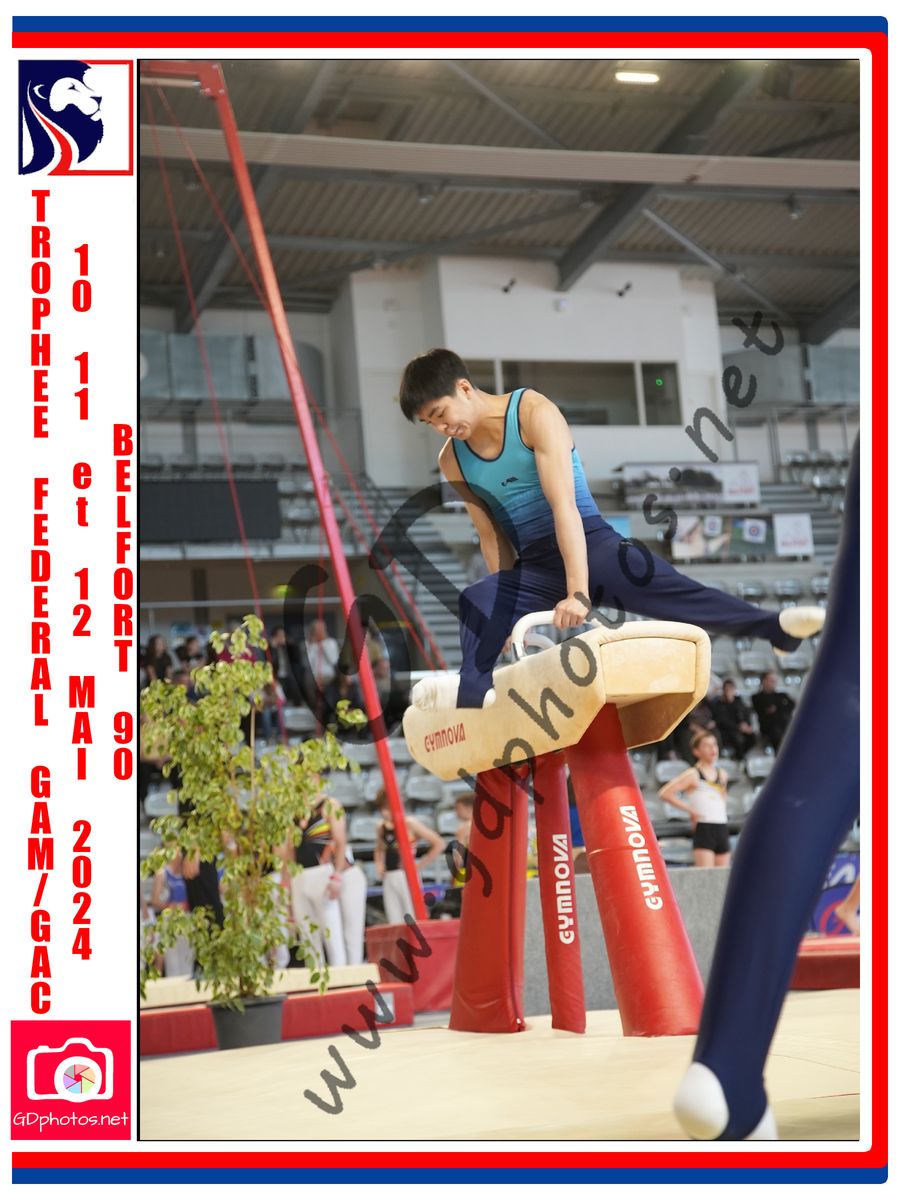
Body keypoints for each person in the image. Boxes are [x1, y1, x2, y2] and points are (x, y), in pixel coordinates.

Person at [398, 349, 825, 710]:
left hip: (593, 546)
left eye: (440, 414)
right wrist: (505, 611)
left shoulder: (531, 412)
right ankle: (474, 697)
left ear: (464, 388)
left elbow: (563, 506)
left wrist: (578, 592)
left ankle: (775, 628)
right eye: (430, 424)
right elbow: (491, 535)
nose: (441, 427)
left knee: (680, 595)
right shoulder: (452, 460)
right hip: (536, 566)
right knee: (478, 599)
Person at [659, 731, 731, 868]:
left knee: (723, 877)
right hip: (704, 827)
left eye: (714, 744)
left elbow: (723, 798)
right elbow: (665, 793)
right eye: (707, 745)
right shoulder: (693, 774)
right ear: (696, 751)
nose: (712, 749)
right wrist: (691, 810)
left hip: (722, 826)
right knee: (706, 876)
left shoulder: (723, 774)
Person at [374, 790, 445, 925]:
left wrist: (419, 865)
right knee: (394, 920)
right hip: (389, 876)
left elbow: (439, 843)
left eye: (387, 808)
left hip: (407, 875)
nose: (384, 813)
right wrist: (379, 863)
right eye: (381, 809)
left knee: (413, 916)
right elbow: (379, 848)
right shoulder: (381, 827)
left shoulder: (409, 823)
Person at [712, 678, 757, 759]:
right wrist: (738, 727)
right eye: (726, 689)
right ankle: (740, 758)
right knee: (738, 739)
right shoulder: (719, 704)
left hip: (740, 728)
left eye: (731, 689)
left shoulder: (738, 701)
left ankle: (739, 756)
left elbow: (745, 714)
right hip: (727, 730)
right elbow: (722, 720)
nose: (728, 691)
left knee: (753, 737)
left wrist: (746, 725)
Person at [752, 671, 796, 752]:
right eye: (771, 680)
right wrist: (781, 707)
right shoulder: (757, 697)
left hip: (785, 726)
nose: (774, 683)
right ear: (764, 681)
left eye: (775, 681)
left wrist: (777, 708)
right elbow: (765, 709)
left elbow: (792, 705)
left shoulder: (782, 695)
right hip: (770, 729)